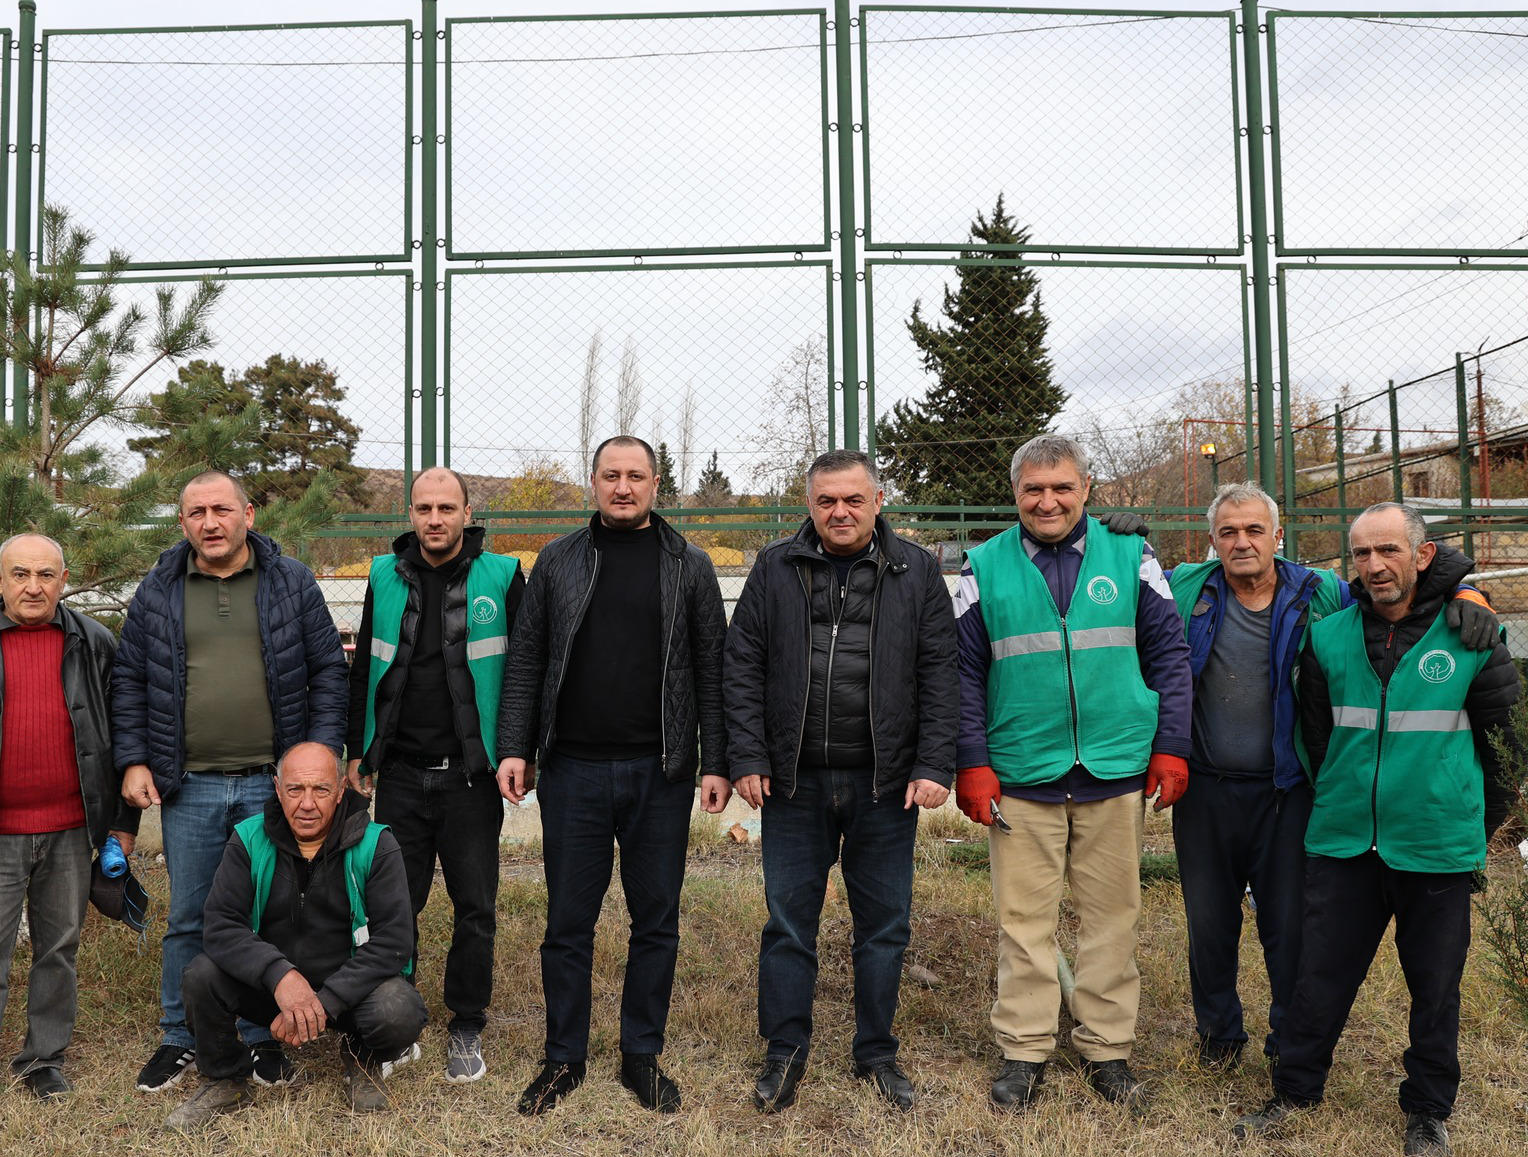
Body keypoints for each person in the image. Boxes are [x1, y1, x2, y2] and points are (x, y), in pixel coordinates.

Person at [1168, 484, 1500, 1070]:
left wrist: (1471, 589)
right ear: (1212, 541)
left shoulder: (1318, 593)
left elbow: (1404, 580)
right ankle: (1219, 1040)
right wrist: (1117, 527)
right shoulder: (1188, 588)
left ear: (1279, 535)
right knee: (1208, 926)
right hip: (1206, 788)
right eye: (1227, 532)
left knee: (1291, 930)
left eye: (1253, 530)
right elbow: (1127, 587)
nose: (1241, 542)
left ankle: (1284, 1043)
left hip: (1288, 791)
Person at [1234, 502, 1519, 1157]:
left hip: (1436, 843)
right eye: (1361, 553)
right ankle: (1295, 1090)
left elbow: (1510, 747)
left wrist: (1470, 819)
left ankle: (1427, 1110)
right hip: (1344, 840)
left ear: (1423, 556)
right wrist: (1340, 793)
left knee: (1435, 983)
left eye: (1388, 550)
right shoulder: (1329, 637)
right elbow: (1314, 737)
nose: (1374, 565)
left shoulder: (1469, 636)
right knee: (1319, 975)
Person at [954, 434, 1193, 1112]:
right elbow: (964, 674)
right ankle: (1025, 1049)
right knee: (1023, 920)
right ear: (1016, 494)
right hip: (1021, 771)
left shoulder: (1132, 554)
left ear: (1087, 488)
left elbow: (1171, 657)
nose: (1048, 500)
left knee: (1112, 917)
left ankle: (1106, 1049)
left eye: (1062, 487)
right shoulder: (984, 566)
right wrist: (972, 761)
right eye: (1034, 489)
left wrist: (1171, 744)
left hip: (1115, 767)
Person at [496, 435, 731, 1116]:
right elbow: (528, 659)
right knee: (568, 922)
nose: (622, 487)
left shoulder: (689, 565)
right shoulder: (559, 560)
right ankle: (562, 1056)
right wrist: (517, 746)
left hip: (660, 774)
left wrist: (713, 759)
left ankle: (641, 1055)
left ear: (657, 483)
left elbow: (712, 671)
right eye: (610, 475)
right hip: (572, 772)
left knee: (655, 919)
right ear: (592, 481)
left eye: (636, 475)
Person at [723, 450, 957, 1113]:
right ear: (810, 503)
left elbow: (941, 672)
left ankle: (876, 1051)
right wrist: (747, 755)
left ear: (878, 500)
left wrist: (935, 764)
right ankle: (785, 1049)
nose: (840, 512)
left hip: (886, 785)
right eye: (826, 500)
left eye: (853, 499)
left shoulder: (915, 570)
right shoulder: (775, 567)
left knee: (884, 926)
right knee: (789, 922)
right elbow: (742, 665)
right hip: (793, 784)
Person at [114, 471, 350, 1093]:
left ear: (249, 512)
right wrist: (135, 759)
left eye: (222, 509)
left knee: (268, 915)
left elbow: (329, 669)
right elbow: (131, 679)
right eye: (196, 512)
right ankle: (180, 1035)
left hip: (270, 785)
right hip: (188, 785)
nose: (210, 523)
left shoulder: (290, 582)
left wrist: (319, 758)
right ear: (183, 521)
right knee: (191, 915)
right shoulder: (160, 588)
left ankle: (261, 1036)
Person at [0, 533, 138, 1125]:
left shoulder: (94, 643)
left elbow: (122, 740)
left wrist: (120, 825)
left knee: (58, 949)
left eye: (45, 575)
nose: (32, 587)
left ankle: (43, 1059)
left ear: (64, 579)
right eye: (19, 574)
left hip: (70, 829)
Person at [345, 467, 524, 1084]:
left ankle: (467, 1021)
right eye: (424, 508)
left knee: (475, 906)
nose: (435, 519)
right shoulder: (382, 576)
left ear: (467, 512)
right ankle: (400, 1016)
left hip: (471, 779)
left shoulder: (501, 576)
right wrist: (356, 751)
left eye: (447, 507)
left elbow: (521, 670)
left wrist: (517, 752)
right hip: (398, 774)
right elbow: (365, 663)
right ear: (411, 513)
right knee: (397, 905)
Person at [165, 742, 425, 1127]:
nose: (307, 804)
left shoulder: (376, 843)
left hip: (349, 992)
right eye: (295, 790)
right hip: (272, 990)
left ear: (340, 791)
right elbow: (220, 925)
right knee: (201, 976)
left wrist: (324, 1002)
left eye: (320, 790)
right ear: (276, 788)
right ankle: (225, 1077)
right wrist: (281, 977)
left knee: (398, 1010)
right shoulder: (248, 839)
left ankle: (362, 1056)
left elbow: (395, 941)